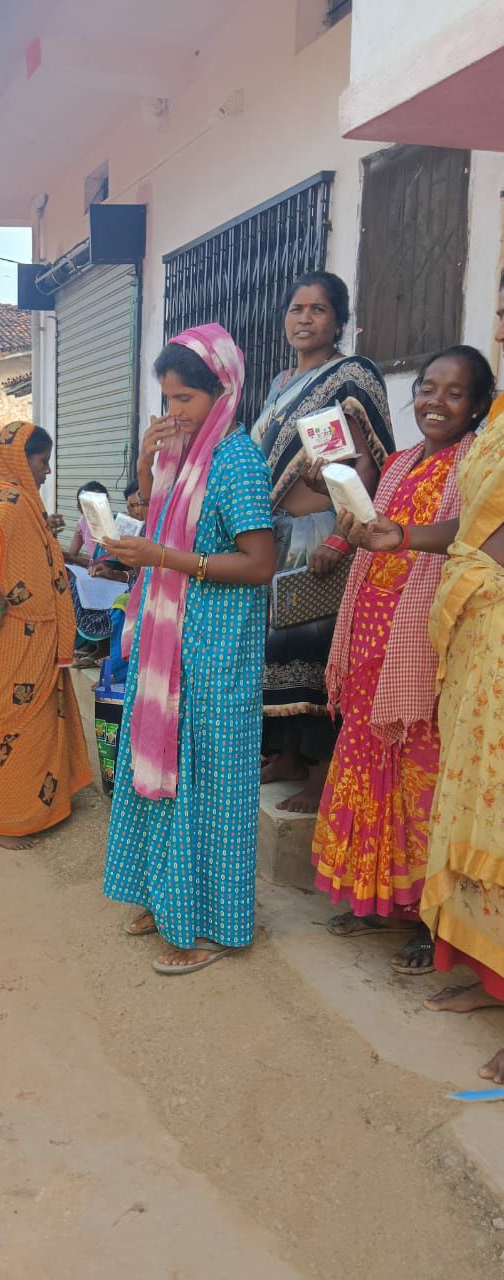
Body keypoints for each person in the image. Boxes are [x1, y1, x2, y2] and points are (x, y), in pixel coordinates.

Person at [342, 275, 504, 1086]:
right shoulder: (486, 431)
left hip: (477, 631)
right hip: (459, 635)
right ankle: (482, 971)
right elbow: (465, 528)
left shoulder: (482, 441)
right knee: (467, 804)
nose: (501, 323)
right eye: (502, 308)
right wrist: (393, 534)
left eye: (454, 392)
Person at [313, 347, 495, 973]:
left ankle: (427, 919)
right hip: (371, 641)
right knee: (369, 766)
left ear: (479, 405)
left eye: (454, 393)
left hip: (423, 646)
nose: (435, 402)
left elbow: (472, 530)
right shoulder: (399, 462)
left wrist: (404, 537)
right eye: (427, 388)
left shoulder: (476, 463)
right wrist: (341, 529)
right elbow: (368, 524)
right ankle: (377, 902)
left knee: (420, 776)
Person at [103, 325, 276, 975]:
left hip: (214, 654)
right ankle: (166, 898)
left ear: (222, 392)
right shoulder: (183, 460)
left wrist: (164, 557)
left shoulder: (235, 460)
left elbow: (259, 563)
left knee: (209, 790)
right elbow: (157, 532)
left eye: (186, 399)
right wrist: (145, 473)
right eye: (167, 399)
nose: (174, 412)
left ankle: (212, 927)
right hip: (169, 649)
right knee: (164, 782)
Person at [252, 271, 394, 812]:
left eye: (318, 309)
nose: (305, 319)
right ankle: (288, 755)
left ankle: (321, 774)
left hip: (323, 531)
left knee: (319, 653)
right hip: (279, 534)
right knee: (279, 651)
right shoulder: (280, 384)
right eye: (297, 308)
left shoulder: (351, 375)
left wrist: (341, 536)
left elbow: (366, 464)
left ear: (338, 321)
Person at [0, 423, 93, 850]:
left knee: (34, 725)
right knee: (12, 728)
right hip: (14, 635)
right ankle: (2, 825)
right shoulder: (11, 501)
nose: (47, 470)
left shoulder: (0, 493)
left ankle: (39, 806)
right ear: (21, 460)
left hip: (28, 634)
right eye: (42, 461)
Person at [64, 480, 129, 666]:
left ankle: (102, 647)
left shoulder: (117, 524)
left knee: (85, 587)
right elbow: (72, 555)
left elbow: (115, 563)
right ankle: (88, 642)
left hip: (116, 574)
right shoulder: (83, 523)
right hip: (99, 571)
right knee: (70, 582)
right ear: (81, 507)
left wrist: (75, 560)